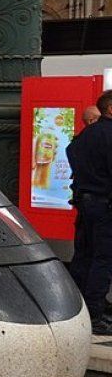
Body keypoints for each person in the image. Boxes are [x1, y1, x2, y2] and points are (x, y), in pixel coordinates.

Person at [67, 92, 112, 334]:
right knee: (103, 258)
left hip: (84, 203)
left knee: (83, 255)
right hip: (105, 205)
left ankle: (78, 309)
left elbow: (70, 152)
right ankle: (95, 314)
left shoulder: (85, 135)